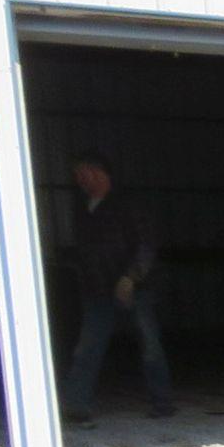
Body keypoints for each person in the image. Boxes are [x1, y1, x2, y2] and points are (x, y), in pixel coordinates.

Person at [63, 150, 173, 426]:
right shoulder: (83, 206)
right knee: (87, 347)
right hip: (97, 288)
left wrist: (131, 277)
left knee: (150, 345)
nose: (78, 179)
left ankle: (162, 402)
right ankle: (77, 405)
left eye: (82, 173)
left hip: (137, 288)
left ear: (99, 173)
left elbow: (147, 244)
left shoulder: (129, 204)